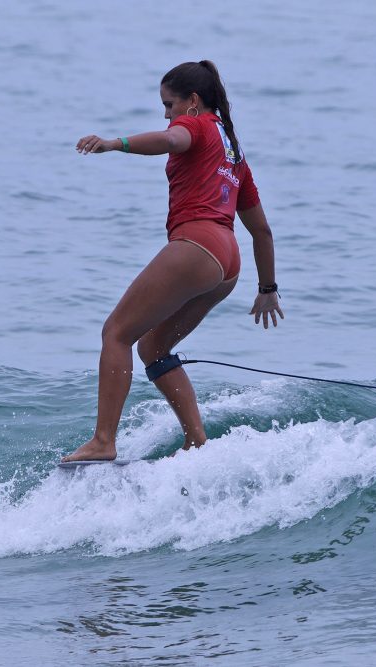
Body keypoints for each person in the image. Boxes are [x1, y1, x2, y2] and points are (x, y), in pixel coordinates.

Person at [61, 60, 283, 463]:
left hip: (197, 245)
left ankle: (103, 441)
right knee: (153, 347)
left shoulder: (196, 126)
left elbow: (173, 140)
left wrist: (115, 143)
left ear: (193, 101)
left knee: (116, 333)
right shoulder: (234, 153)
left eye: (169, 104)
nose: (166, 114)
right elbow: (262, 231)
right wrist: (267, 288)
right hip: (227, 263)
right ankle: (197, 441)